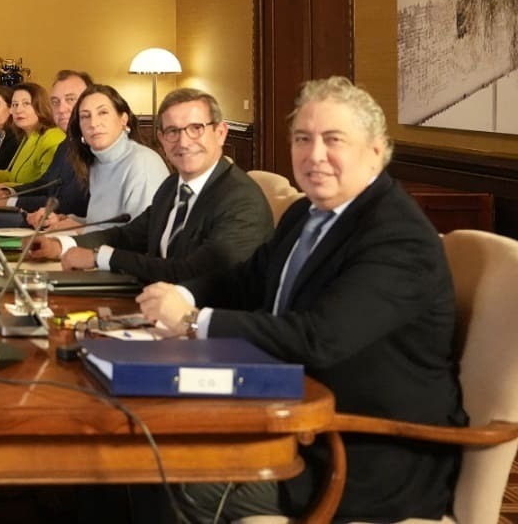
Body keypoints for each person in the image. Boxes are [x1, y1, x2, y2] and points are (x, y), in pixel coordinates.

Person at [136, 77, 465, 521]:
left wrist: (193, 320)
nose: (315, 155)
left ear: (376, 150)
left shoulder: (398, 236)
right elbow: (246, 279)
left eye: (334, 140)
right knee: (139, 443)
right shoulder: (306, 212)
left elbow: (318, 337)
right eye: (302, 139)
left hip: (356, 453)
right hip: (287, 414)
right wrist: (178, 293)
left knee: (153, 469)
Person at [29, 88, 273, 284]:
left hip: (213, 329)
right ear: (162, 139)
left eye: (196, 129)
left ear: (220, 133)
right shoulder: (172, 187)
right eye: (172, 132)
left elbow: (191, 273)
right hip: (156, 306)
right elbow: (128, 235)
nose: (183, 141)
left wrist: (99, 257)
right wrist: (61, 245)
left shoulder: (240, 199)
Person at [27, 85, 167, 231]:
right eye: (85, 116)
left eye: (103, 112)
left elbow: (140, 236)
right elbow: (103, 222)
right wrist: (65, 220)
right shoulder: (96, 163)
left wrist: (80, 230)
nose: (93, 123)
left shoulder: (143, 162)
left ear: (123, 119)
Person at [0, 70, 94, 219]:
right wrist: (6, 191)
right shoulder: (66, 142)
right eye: (55, 102)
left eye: (71, 99)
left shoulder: (61, 139)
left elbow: (69, 203)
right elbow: (45, 183)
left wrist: (9, 201)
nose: (61, 109)